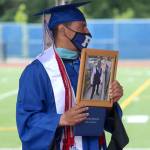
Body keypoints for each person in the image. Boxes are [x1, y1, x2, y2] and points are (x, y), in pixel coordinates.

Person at [16, 1, 128, 150]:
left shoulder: (93, 64)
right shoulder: (37, 71)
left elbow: (103, 118)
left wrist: (110, 102)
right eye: (82, 26)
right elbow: (27, 120)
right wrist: (60, 119)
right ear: (63, 29)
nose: (87, 31)